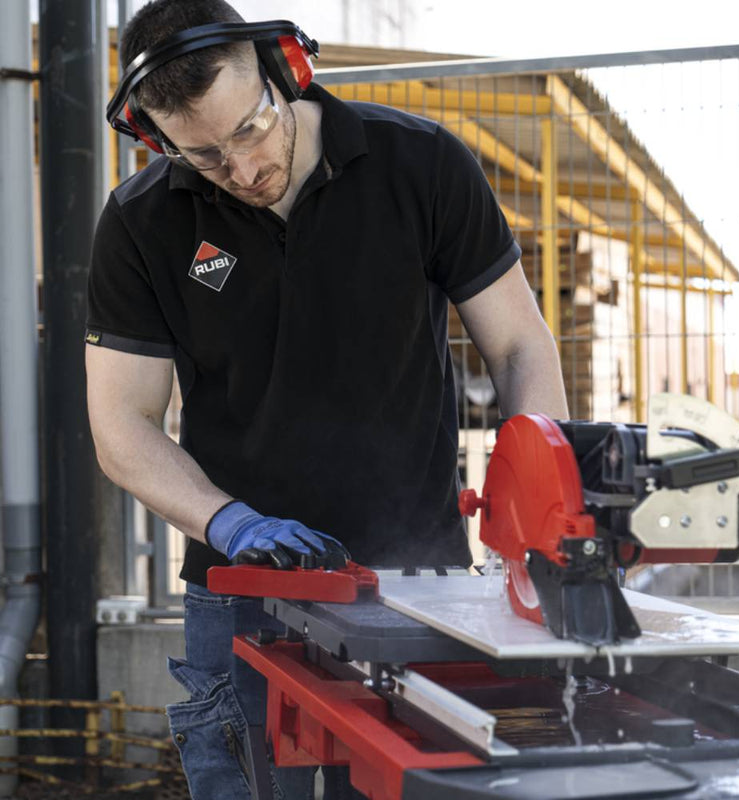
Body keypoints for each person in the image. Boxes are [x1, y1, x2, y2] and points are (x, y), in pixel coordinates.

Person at [85, 1, 569, 797]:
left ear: (285, 72)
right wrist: (228, 522)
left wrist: (539, 517)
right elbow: (119, 424)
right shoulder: (142, 225)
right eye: (203, 155)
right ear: (157, 138)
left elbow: (519, 346)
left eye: (249, 130)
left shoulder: (421, 166)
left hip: (421, 591)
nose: (241, 170)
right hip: (239, 596)